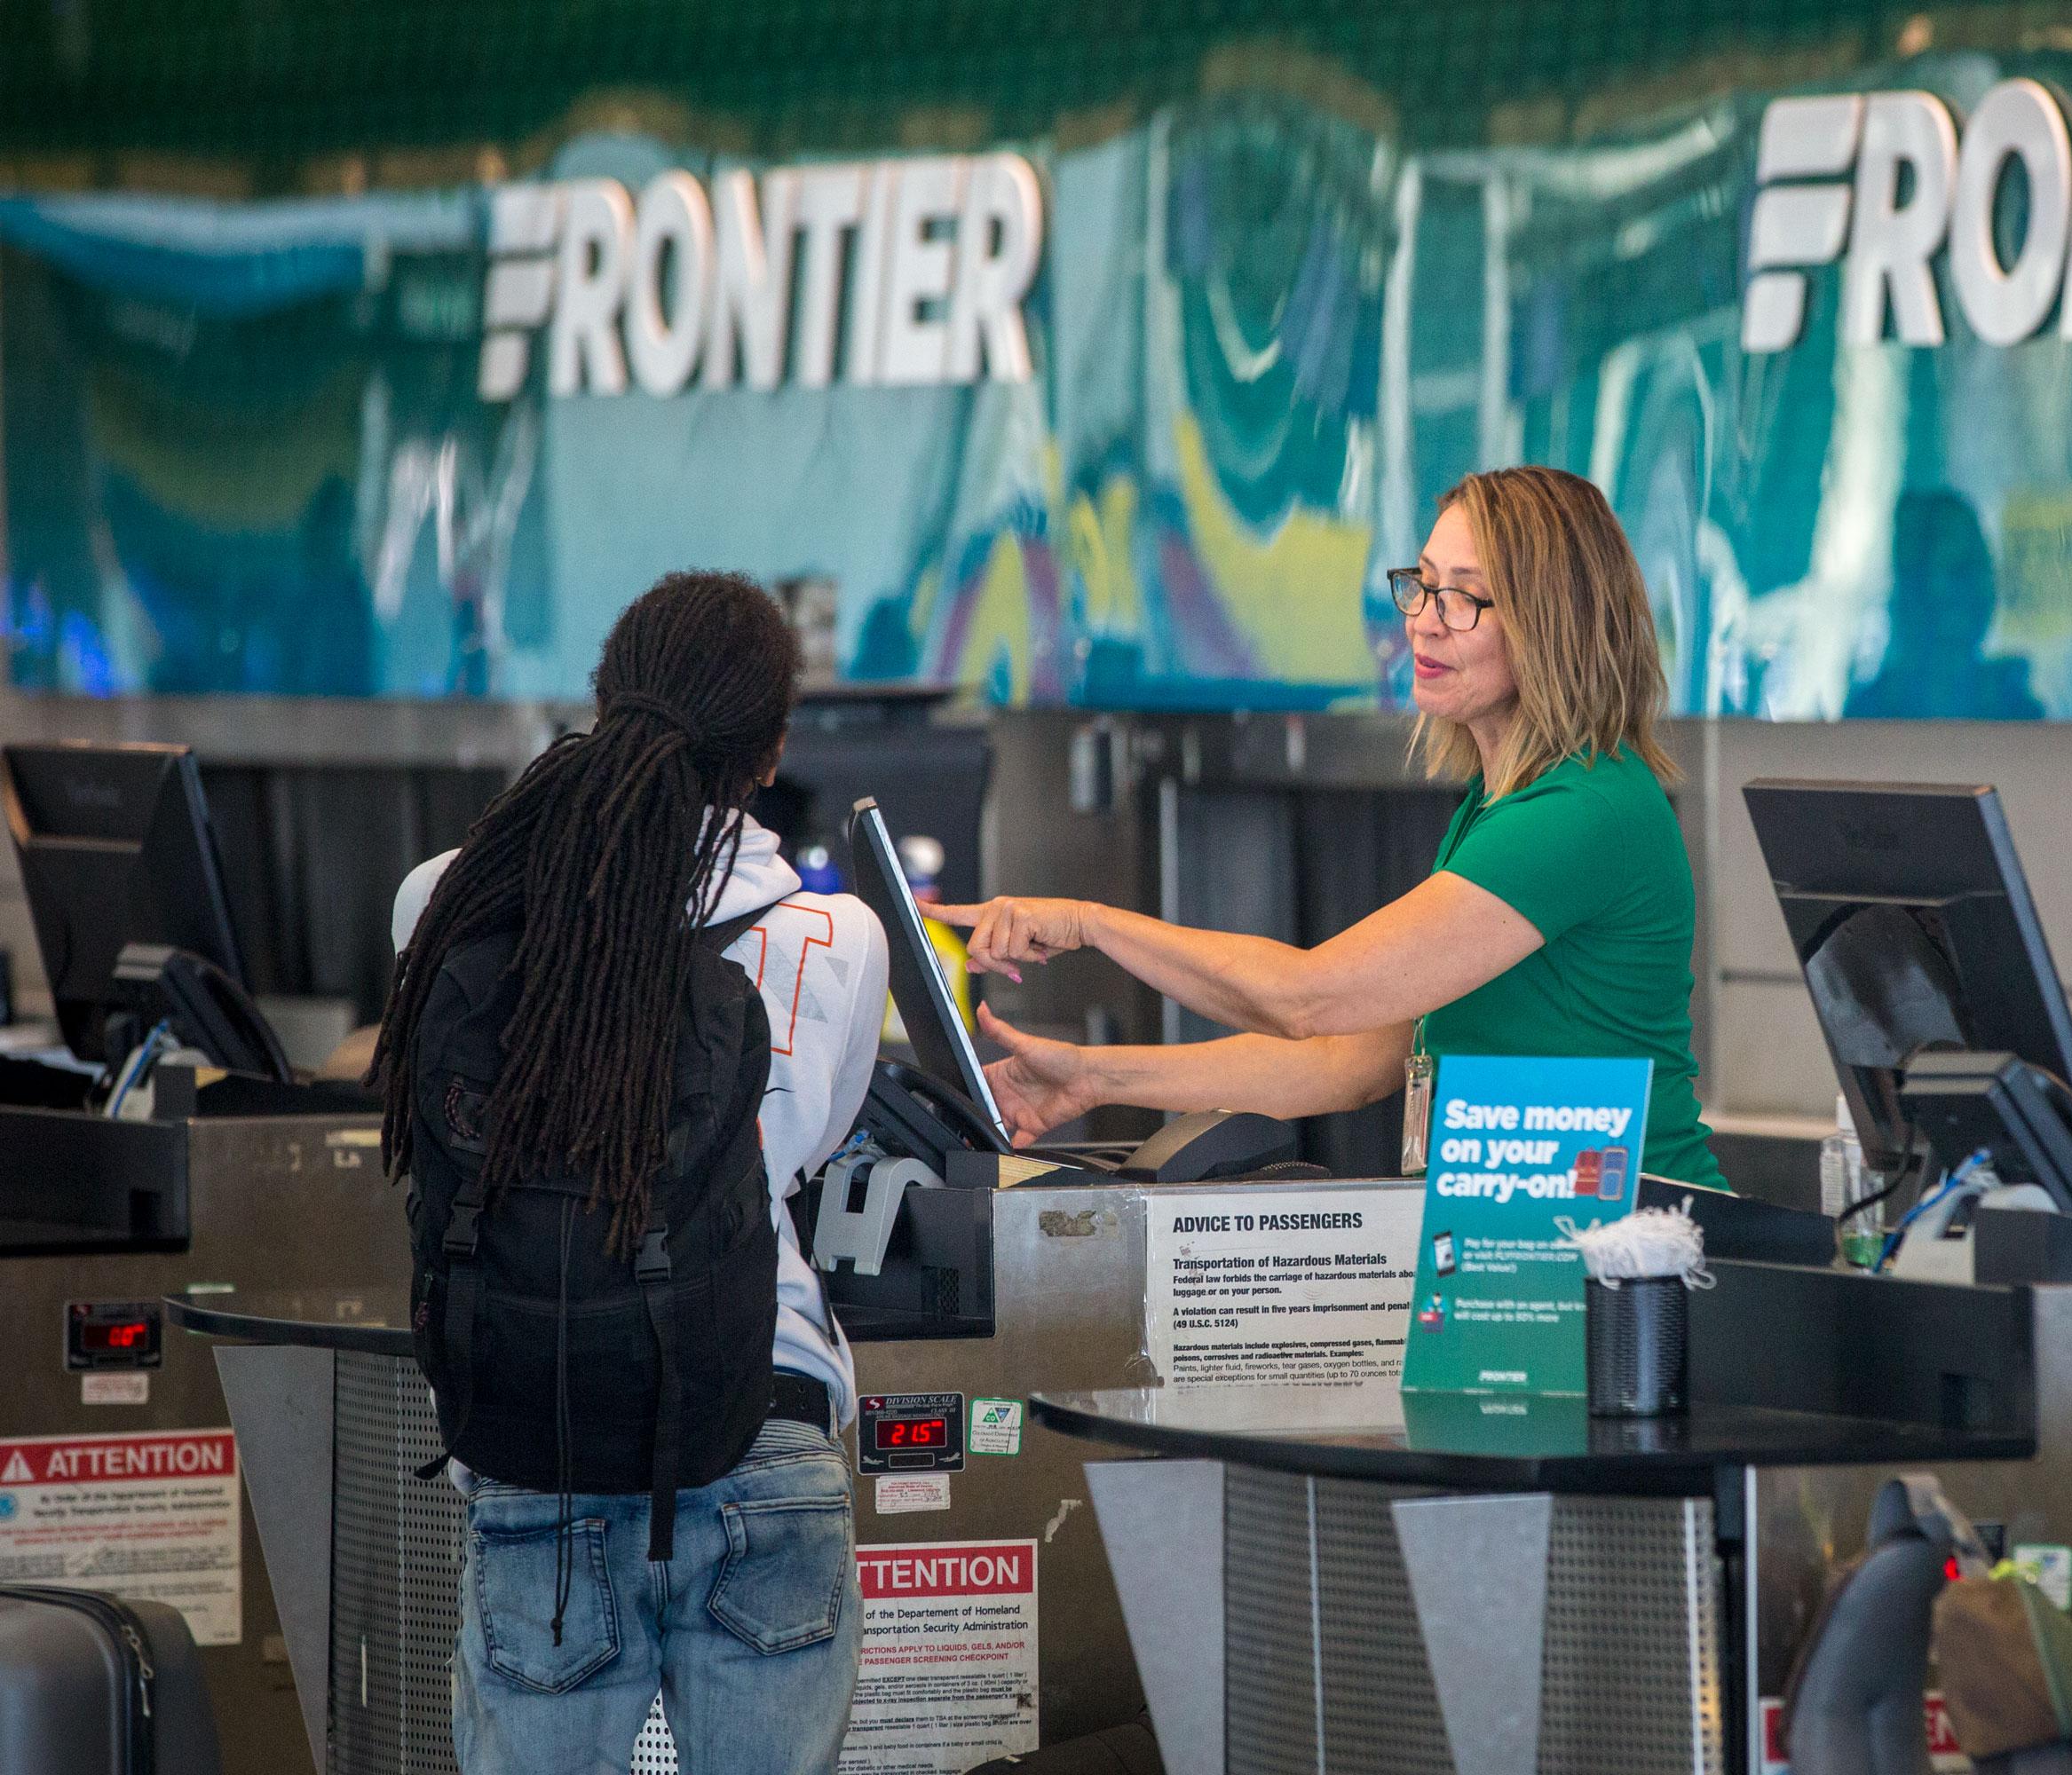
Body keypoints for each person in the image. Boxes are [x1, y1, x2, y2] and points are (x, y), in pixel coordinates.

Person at [376, 572, 889, 1775]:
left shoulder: (444, 904)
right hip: (761, 1421)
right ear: (769, 754)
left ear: (607, 705)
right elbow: (802, 1152)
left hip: (536, 1437)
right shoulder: (836, 940)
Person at [935, 465, 1724, 1190]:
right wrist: (1092, 1078)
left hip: (1626, 1252)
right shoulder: (1500, 808)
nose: (1423, 621)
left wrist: (1087, 922)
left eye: (1463, 596)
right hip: (1521, 1253)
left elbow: (1305, 999)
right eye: (1422, 584)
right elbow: (1359, 1058)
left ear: (1553, 624)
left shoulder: (1579, 813)